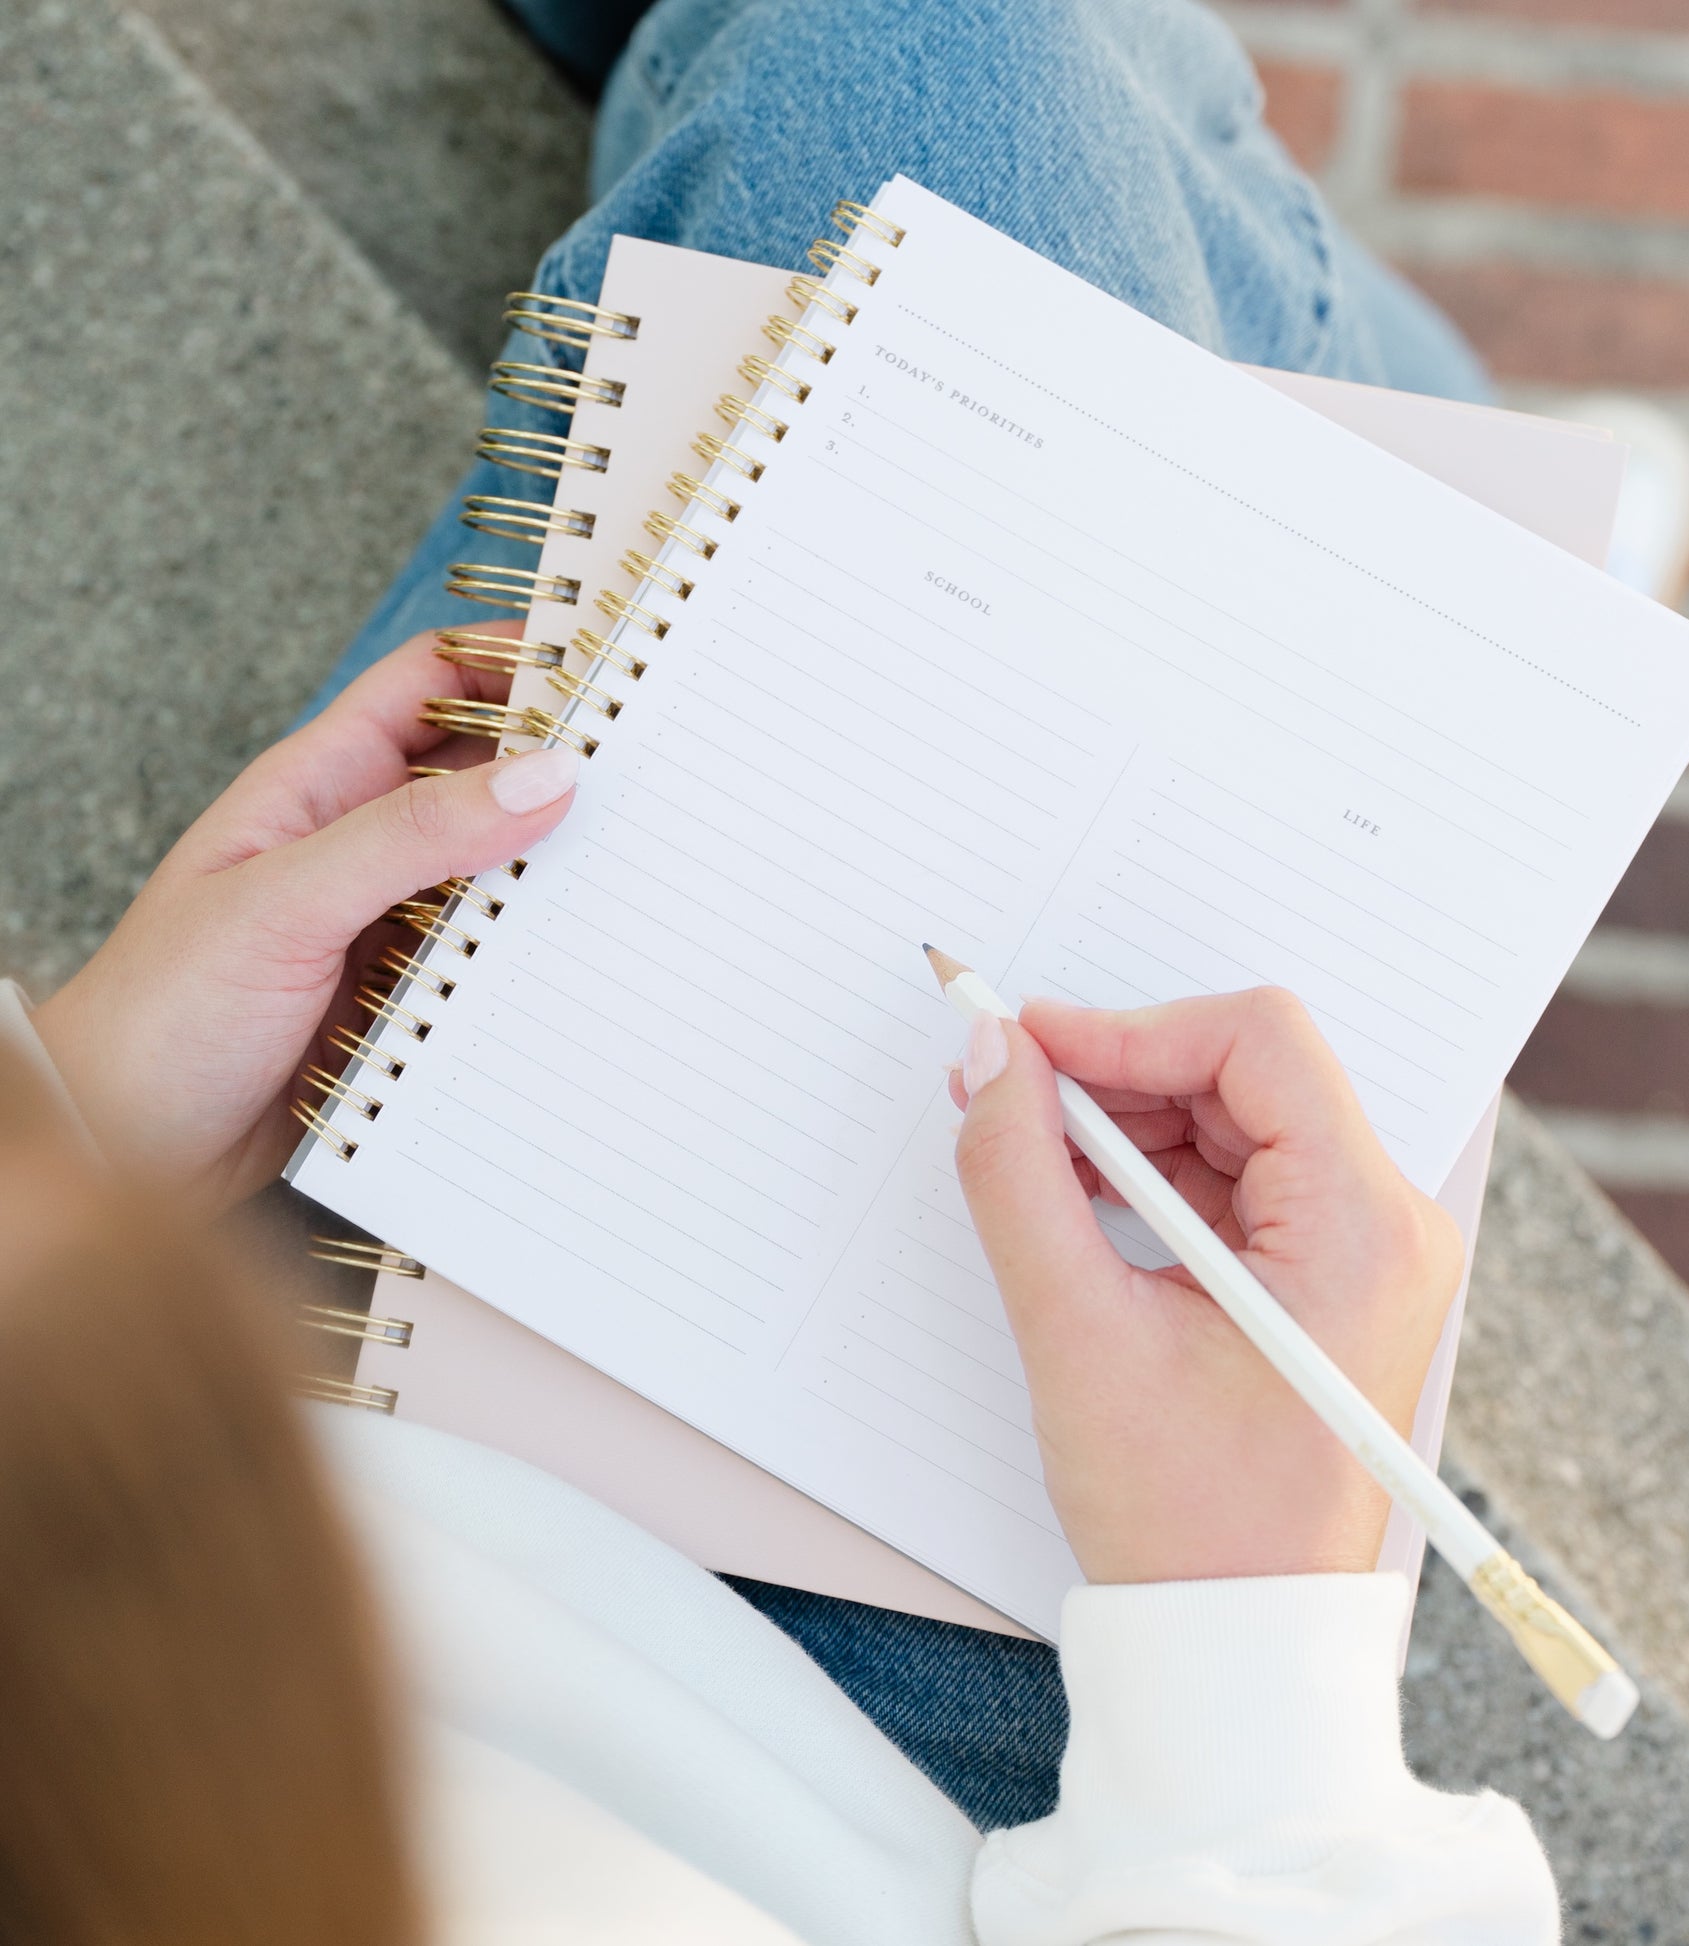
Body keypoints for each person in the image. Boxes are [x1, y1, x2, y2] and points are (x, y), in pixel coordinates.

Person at [6, 0, 1565, 1934]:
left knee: (939, 121)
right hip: (868, 1757)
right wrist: (1251, 1656)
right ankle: (1458, 454)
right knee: (966, 69)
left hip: (188, 1398)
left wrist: (74, 1138)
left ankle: (1455, 445)